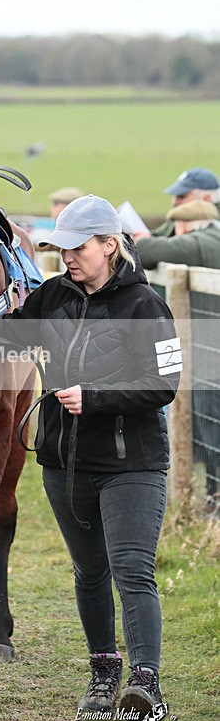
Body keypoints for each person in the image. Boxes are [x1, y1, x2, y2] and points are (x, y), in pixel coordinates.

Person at [0, 195, 180, 721]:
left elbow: (165, 384)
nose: (68, 257)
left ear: (110, 245)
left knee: (132, 570)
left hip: (132, 465)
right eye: (62, 248)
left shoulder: (147, 306)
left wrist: (96, 398)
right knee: (89, 572)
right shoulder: (52, 295)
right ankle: (103, 672)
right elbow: (8, 334)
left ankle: (145, 683)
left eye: (79, 248)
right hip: (63, 465)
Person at [135, 199, 220, 504]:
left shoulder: (202, 242)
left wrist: (154, 235)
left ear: (184, 227)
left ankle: (214, 495)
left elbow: (144, 251)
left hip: (210, 358)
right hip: (209, 351)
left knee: (210, 427)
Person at [133, 167, 220, 242]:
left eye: (182, 196)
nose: (174, 201)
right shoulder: (183, 216)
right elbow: (157, 235)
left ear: (206, 199)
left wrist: (149, 242)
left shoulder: (212, 225)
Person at [135, 199, 220, 269]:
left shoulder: (196, 243)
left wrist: (141, 240)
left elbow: (145, 251)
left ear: (183, 225)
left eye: (175, 227)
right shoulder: (213, 236)